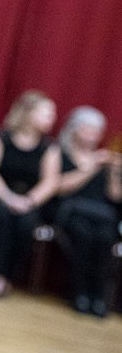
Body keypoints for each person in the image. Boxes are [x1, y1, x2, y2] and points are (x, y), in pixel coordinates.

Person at [0, 91, 61, 299]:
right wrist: (7, 197)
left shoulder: (49, 148)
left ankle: (9, 276)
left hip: (28, 200)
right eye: (46, 113)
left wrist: (29, 201)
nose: (52, 119)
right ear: (29, 113)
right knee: (1, 216)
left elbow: (50, 182)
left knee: (26, 223)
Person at [51, 107, 122, 317]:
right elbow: (60, 187)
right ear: (74, 128)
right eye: (88, 129)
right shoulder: (60, 153)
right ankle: (79, 292)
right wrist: (91, 166)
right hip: (72, 212)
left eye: (97, 130)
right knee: (83, 236)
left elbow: (115, 196)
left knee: (105, 239)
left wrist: (114, 171)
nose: (93, 134)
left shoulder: (106, 159)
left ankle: (98, 295)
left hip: (102, 216)